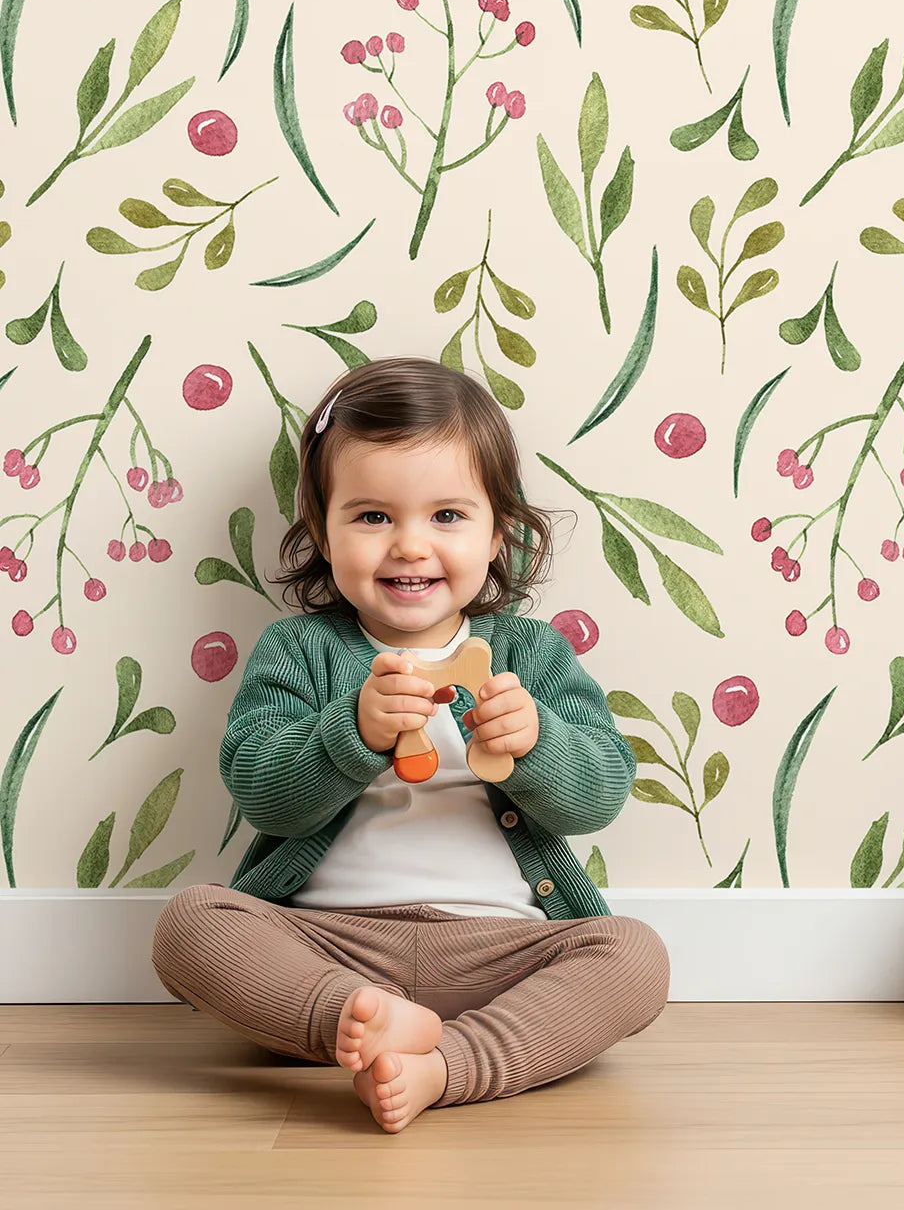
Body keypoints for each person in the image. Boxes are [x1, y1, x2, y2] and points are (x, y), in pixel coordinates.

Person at [151, 357, 669, 1133]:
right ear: (322, 534)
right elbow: (260, 790)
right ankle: (349, 1021)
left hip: (501, 954)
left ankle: (447, 1064)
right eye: (372, 517)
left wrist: (538, 745)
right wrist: (348, 734)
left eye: (447, 516)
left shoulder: (532, 654)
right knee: (190, 922)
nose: (409, 546)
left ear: (499, 534)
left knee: (635, 955)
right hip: (328, 945)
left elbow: (601, 792)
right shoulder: (298, 652)